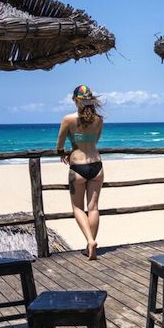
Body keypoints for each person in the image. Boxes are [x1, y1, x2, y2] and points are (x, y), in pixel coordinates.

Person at [56, 85, 104, 260]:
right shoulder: (99, 119)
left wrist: (64, 152)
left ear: (76, 100)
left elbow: (59, 145)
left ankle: (90, 241)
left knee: (77, 207)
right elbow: (95, 140)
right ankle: (91, 245)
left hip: (78, 166)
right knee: (94, 208)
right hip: (96, 165)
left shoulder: (68, 119)